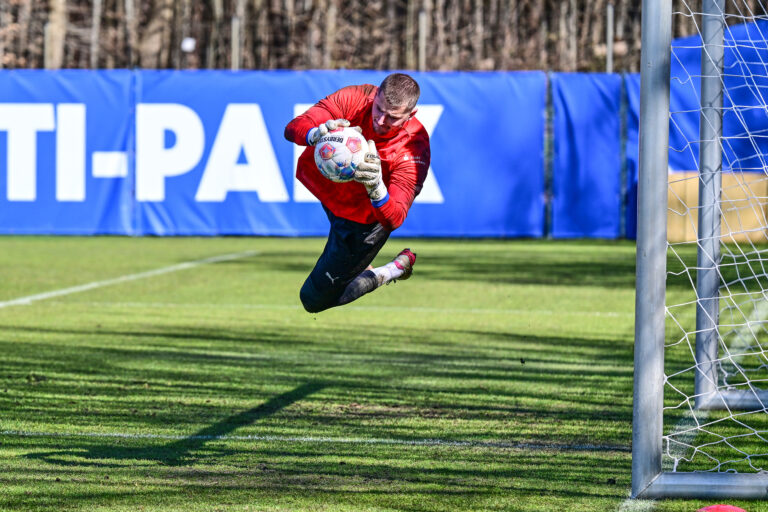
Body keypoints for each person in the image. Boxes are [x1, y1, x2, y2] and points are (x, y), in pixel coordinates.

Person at [284, 72, 431, 313]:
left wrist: (376, 187)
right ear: (376, 96)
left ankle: (391, 270)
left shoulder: (414, 146)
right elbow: (293, 128)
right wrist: (316, 133)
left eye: (392, 117)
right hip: (332, 196)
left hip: (363, 225)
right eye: (379, 109)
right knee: (341, 273)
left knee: (312, 300)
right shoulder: (357, 97)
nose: (381, 120)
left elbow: (394, 218)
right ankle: (355, 265)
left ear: (411, 114)